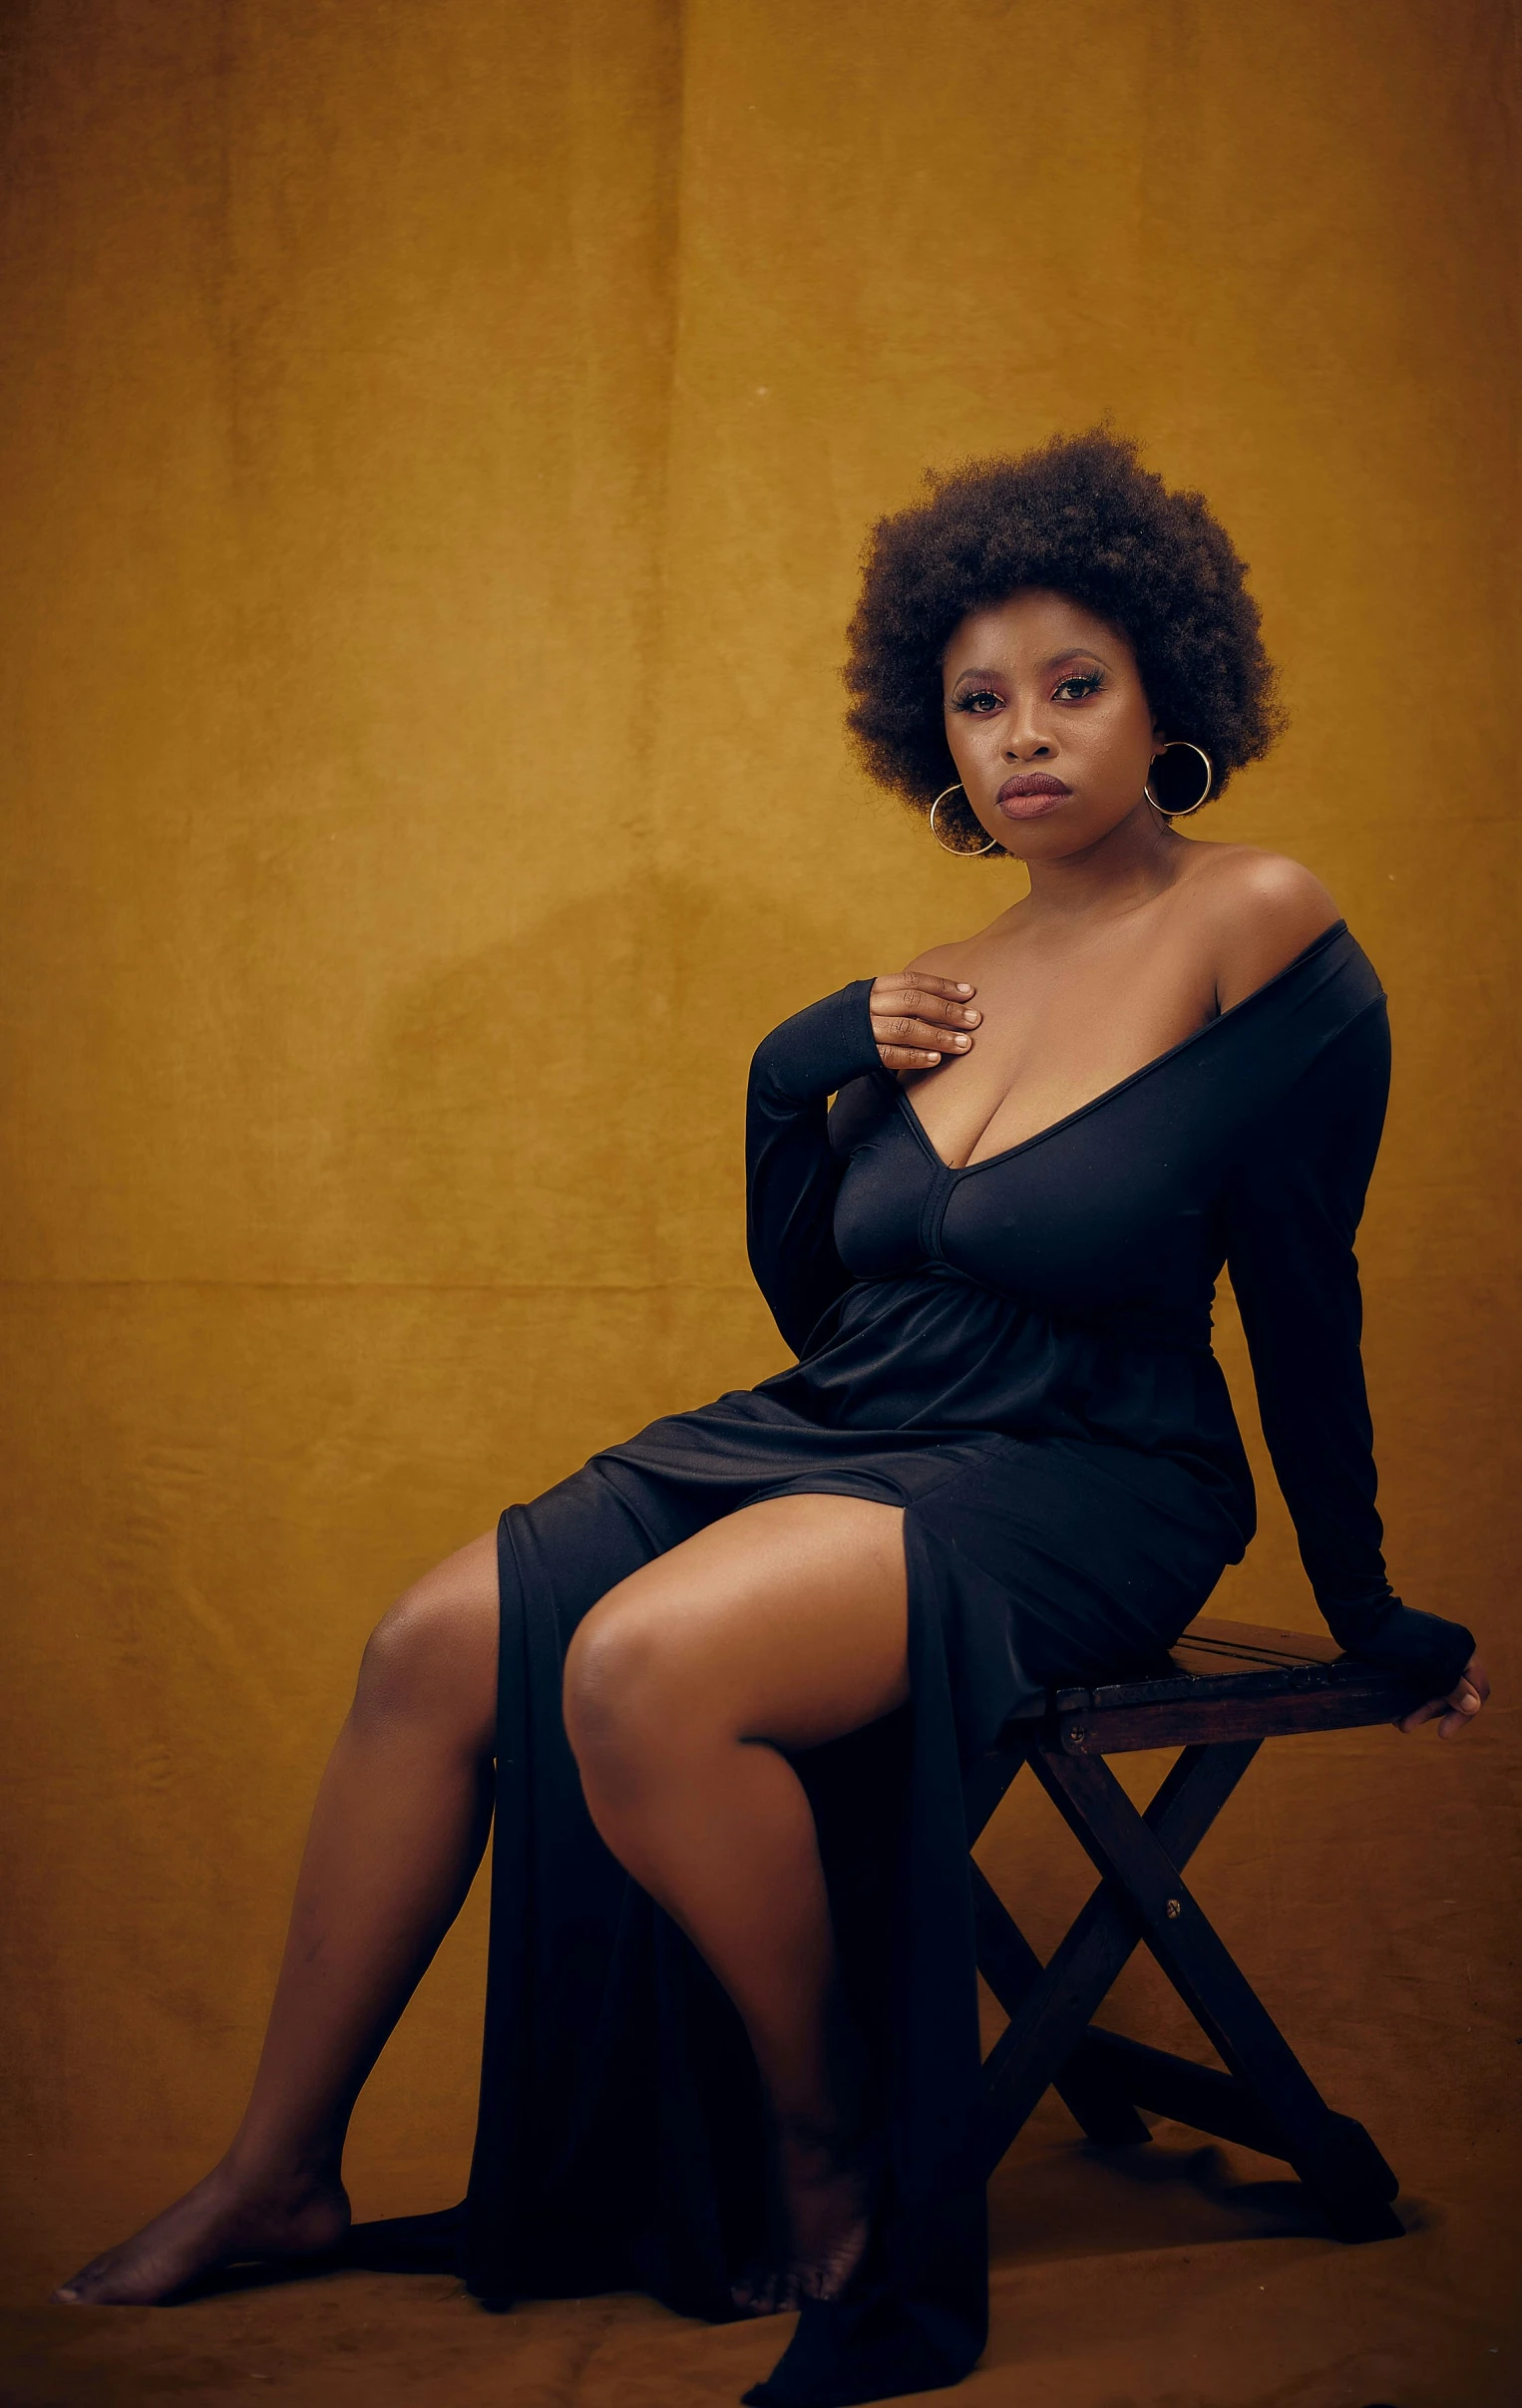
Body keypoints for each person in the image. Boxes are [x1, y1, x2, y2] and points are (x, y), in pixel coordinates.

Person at [57, 431, 1488, 2408]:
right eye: (977, 702)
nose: (1024, 738)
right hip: (857, 1423)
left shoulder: (1260, 924)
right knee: (437, 1641)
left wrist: (1366, 1595)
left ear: (1170, 691)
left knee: (643, 1669)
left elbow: (1299, 1293)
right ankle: (274, 2173)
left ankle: (829, 2153)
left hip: (1086, 1470)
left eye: (1072, 685)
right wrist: (787, 1070)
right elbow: (835, 1301)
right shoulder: (951, 989)